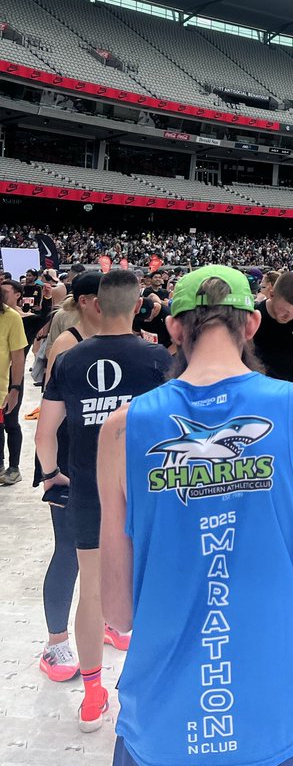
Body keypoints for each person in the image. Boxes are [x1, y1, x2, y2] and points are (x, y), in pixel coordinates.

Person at [97, 265, 293, 766]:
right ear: (251, 324)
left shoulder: (121, 431)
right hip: (280, 712)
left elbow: (118, 611)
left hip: (164, 722)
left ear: (173, 327)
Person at [36, 269, 169, 732]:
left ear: (98, 304)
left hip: (89, 489)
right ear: (137, 306)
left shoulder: (70, 359)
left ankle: (93, 695)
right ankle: (148, 692)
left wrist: (52, 474)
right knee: (154, 585)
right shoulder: (157, 358)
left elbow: (44, 432)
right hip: (147, 490)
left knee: (89, 588)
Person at [34, 270, 103, 683]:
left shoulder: (111, 341)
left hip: (100, 461)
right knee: (69, 552)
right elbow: (52, 413)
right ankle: (55, 642)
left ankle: (103, 623)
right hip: (67, 463)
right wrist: (50, 471)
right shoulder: (67, 343)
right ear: (88, 301)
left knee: (107, 548)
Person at [0, 280, 29, 485]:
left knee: (10, 424)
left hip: (5, 387)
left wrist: (15, 388)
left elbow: (18, 357)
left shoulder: (11, 318)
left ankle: (13, 467)